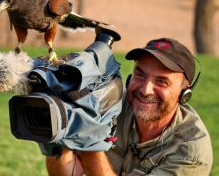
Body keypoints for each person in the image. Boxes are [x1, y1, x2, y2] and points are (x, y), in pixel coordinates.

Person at [44, 38, 213, 176]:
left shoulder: (191, 152)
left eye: (161, 81)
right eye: (140, 74)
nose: (146, 90)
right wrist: (57, 132)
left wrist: (91, 141)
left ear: (185, 93)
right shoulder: (110, 104)